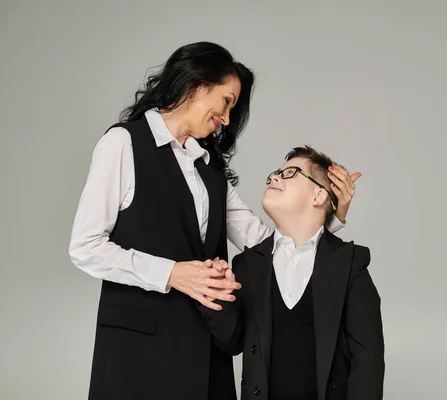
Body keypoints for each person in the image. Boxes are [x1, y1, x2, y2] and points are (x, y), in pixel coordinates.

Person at [69, 42, 361, 399]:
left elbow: (266, 247)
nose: (226, 118)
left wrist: (331, 216)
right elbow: (85, 247)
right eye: (227, 101)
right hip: (139, 351)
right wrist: (173, 273)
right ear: (198, 84)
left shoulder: (210, 172)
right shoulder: (123, 144)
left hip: (207, 351)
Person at [202, 146, 385, 400]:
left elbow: (368, 362)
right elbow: (232, 342)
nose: (274, 177)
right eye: (275, 174)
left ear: (318, 195)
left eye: (290, 173)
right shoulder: (247, 265)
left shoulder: (350, 264)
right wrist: (218, 296)